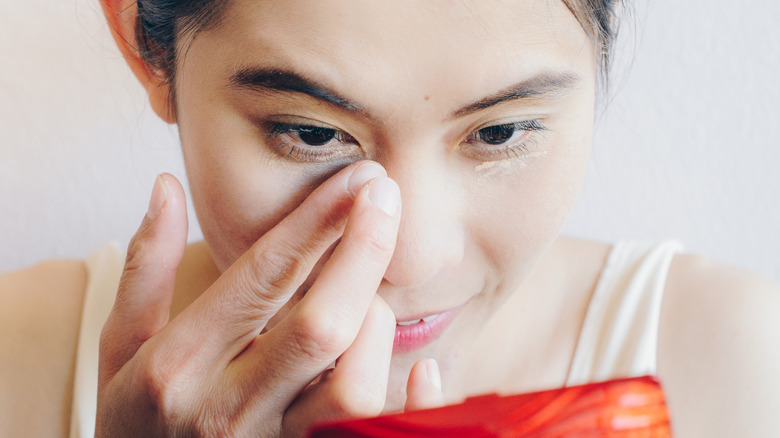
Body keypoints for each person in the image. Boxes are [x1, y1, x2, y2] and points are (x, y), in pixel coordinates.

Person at [1, 0, 778, 436]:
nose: (409, 260)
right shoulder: (16, 363)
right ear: (145, 47)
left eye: (500, 133)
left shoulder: (738, 364)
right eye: (310, 134)